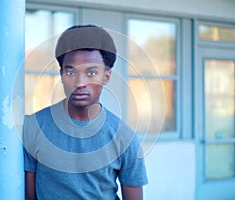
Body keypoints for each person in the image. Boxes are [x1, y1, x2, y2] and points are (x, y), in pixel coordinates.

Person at [23, 25, 148, 200]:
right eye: (71, 71)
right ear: (61, 74)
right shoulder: (33, 126)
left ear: (106, 76)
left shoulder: (125, 138)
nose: (80, 82)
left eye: (91, 72)